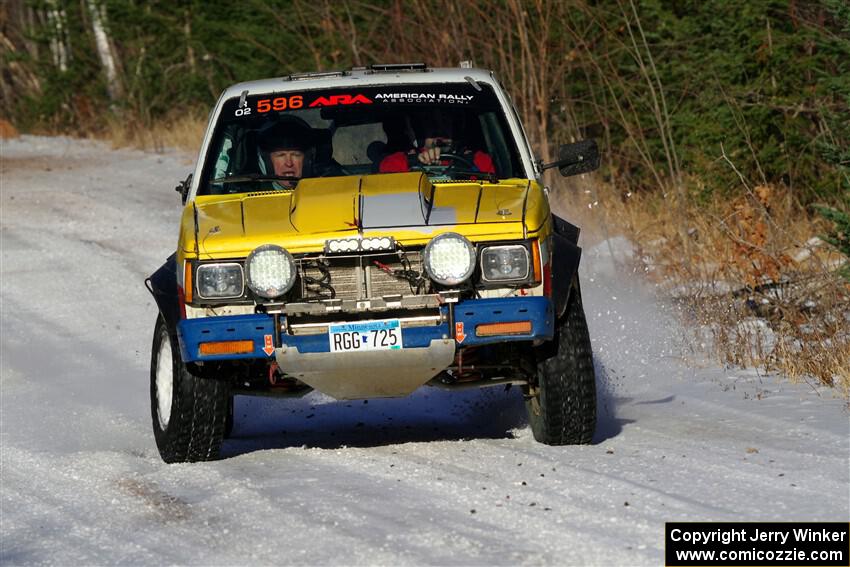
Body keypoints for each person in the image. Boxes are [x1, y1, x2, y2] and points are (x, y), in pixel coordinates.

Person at [379, 110, 495, 175]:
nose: (439, 129)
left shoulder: (478, 162)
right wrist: (416, 163)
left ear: (456, 126)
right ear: (417, 128)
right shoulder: (398, 162)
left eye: (444, 120)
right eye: (430, 123)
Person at [257, 116, 315, 188]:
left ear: (306, 160)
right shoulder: (248, 196)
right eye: (281, 155)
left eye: (296, 155)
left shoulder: (325, 190)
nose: (289, 163)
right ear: (267, 162)